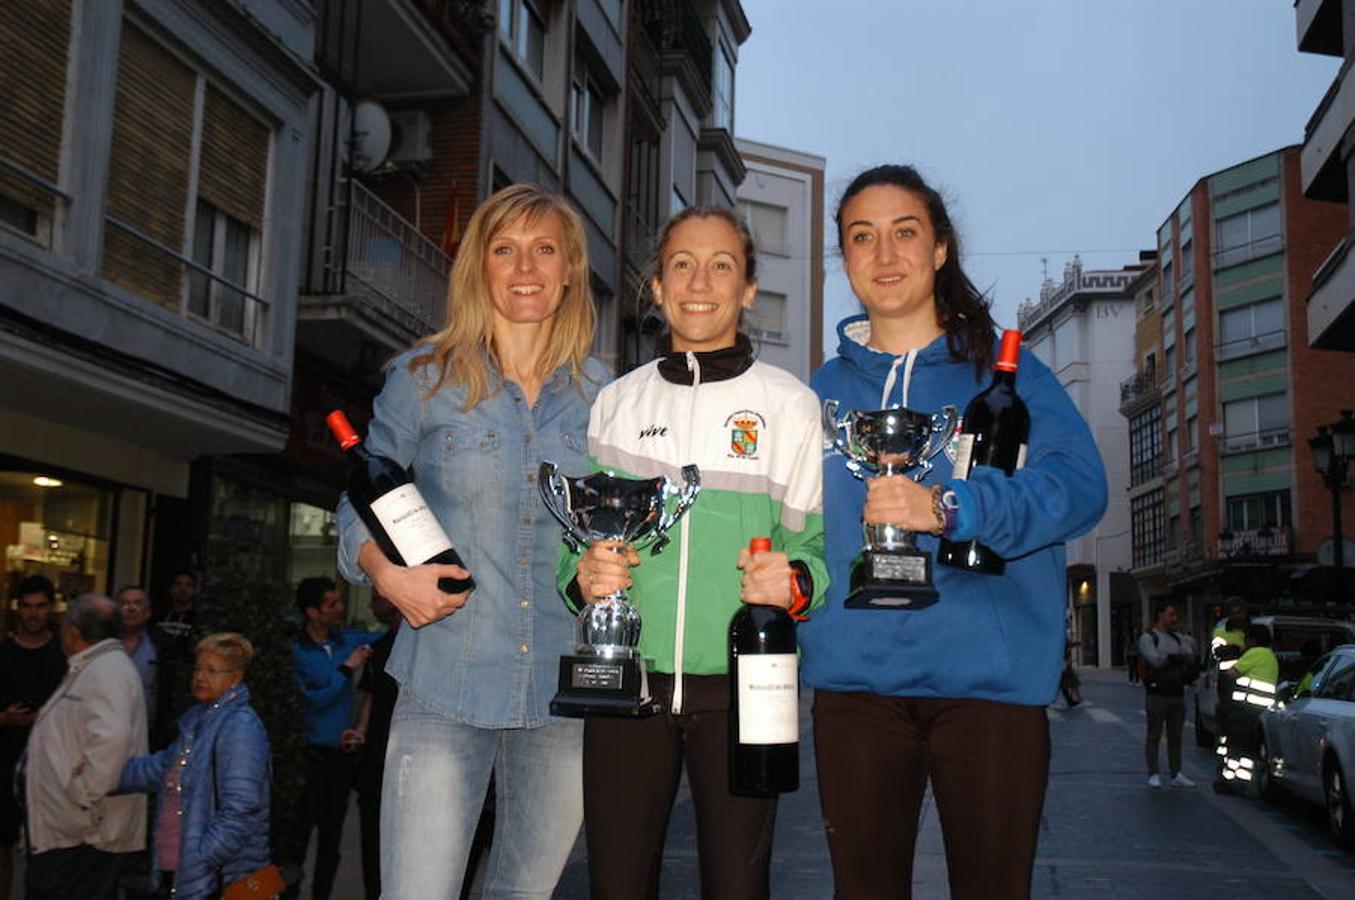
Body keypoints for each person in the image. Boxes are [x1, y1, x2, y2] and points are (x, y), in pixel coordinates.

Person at [803, 164, 1108, 899]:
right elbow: (793, 530)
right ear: (843, 259)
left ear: (940, 248)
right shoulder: (820, 393)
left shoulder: (1009, 374)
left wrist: (952, 508)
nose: (883, 255)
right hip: (855, 690)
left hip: (989, 690)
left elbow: (1079, 489)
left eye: (904, 233)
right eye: (861, 237)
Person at [336, 183, 608, 899]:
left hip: (563, 695)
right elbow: (357, 503)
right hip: (443, 684)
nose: (526, 267)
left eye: (544, 249)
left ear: (570, 268)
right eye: (505, 249)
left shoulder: (607, 398)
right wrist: (386, 576)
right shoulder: (421, 380)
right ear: (479, 268)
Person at [561, 206, 826, 898]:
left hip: (743, 688)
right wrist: (584, 577)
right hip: (626, 684)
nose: (698, 281)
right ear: (656, 286)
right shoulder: (615, 404)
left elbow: (815, 553)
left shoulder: (790, 406)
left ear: (746, 289)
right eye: (681, 263)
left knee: (739, 888)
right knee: (615, 885)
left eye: (721, 265)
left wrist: (791, 579)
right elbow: (575, 544)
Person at [117, 633, 271, 899]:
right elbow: (162, 768)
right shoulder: (198, 719)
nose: (200, 676)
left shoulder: (240, 726)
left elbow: (242, 810)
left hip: (216, 879)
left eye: (211, 670)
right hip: (181, 871)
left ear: (236, 677)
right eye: (198, 668)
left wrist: (201, 856)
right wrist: (105, 775)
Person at [25, 593, 148, 899]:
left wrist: (81, 794)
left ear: (74, 631)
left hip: (84, 833)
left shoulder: (107, 671)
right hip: (73, 829)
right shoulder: (94, 666)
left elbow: (112, 740)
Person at [288, 576, 379, 900]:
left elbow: (387, 634)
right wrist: (345, 669)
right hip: (308, 756)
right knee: (297, 839)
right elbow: (313, 700)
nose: (340, 608)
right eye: (332, 604)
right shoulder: (296, 650)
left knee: (332, 839)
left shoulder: (346, 639)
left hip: (340, 758)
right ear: (312, 612)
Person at [0, 575, 67, 898]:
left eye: (40, 607)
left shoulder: (65, 654)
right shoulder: (4, 652)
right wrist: (5, 718)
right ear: (17, 609)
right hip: (4, 761)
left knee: (45, 853)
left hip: (51, 765)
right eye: (27, 607)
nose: (33, 614)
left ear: (51, 608)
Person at [354, 591, 401, 900]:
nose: (371, 604)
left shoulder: (418, 648)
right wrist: (360, 730)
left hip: (408, 764)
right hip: (375, 766)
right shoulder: (379, 647)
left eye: (377, 596)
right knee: (374, 847)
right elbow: (369, 696)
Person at [1214, 622, 1279, 794]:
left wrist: (1230, 658)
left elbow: (1232, 673)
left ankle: (1231, 783)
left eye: (1246, 639)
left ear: (1253, 639)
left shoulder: (1255, 653)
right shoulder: (1271, 656)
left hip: (1245, 709)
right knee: (1249, 750)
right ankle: (1241, 782)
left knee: (1236, 748)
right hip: (1261, 710)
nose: (1245, 642)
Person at [1139, 601, 1197, 789]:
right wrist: (1175, 657)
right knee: (1154, 734)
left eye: (1174, 615)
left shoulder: (1178, 638)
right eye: (1170, 614)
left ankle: (1176, 772)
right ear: (1160, 615)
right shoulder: (1149, 638)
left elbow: (1191, 652)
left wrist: (1171, 656)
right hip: (1157, 693)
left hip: (1177, 692)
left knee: (1176, 735)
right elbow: (1155, 661)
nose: (1174, 618)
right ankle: (1153, 772)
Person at [117, 585, 174, 749]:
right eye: (125, 604)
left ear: (148, 612)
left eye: (137, 603)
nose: (131, 609)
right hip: (105, 729)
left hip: (149, 734)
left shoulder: (163, 644)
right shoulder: (101, 643)